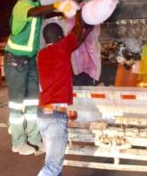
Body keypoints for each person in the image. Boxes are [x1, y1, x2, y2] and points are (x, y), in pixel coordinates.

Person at [4, 0, 79, 155]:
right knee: (16, 104)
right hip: (15, 61)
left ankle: (34, 138)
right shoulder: (23, 6)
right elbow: (33, 13)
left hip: (29, 60)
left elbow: (43, 13)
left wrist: (62, 10)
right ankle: (18, 142)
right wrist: (56, 5)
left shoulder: (36, 3)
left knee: (32, 103)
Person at [36, 10, 92, 176]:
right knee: (52, 167)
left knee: (53, 163)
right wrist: (81, 11)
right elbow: (76, 29)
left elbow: (75, 42)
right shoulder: (61, 49)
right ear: (60, 37)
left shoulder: (42, 54)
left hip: (43, 114)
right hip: (54, 117)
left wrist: (86, 33)